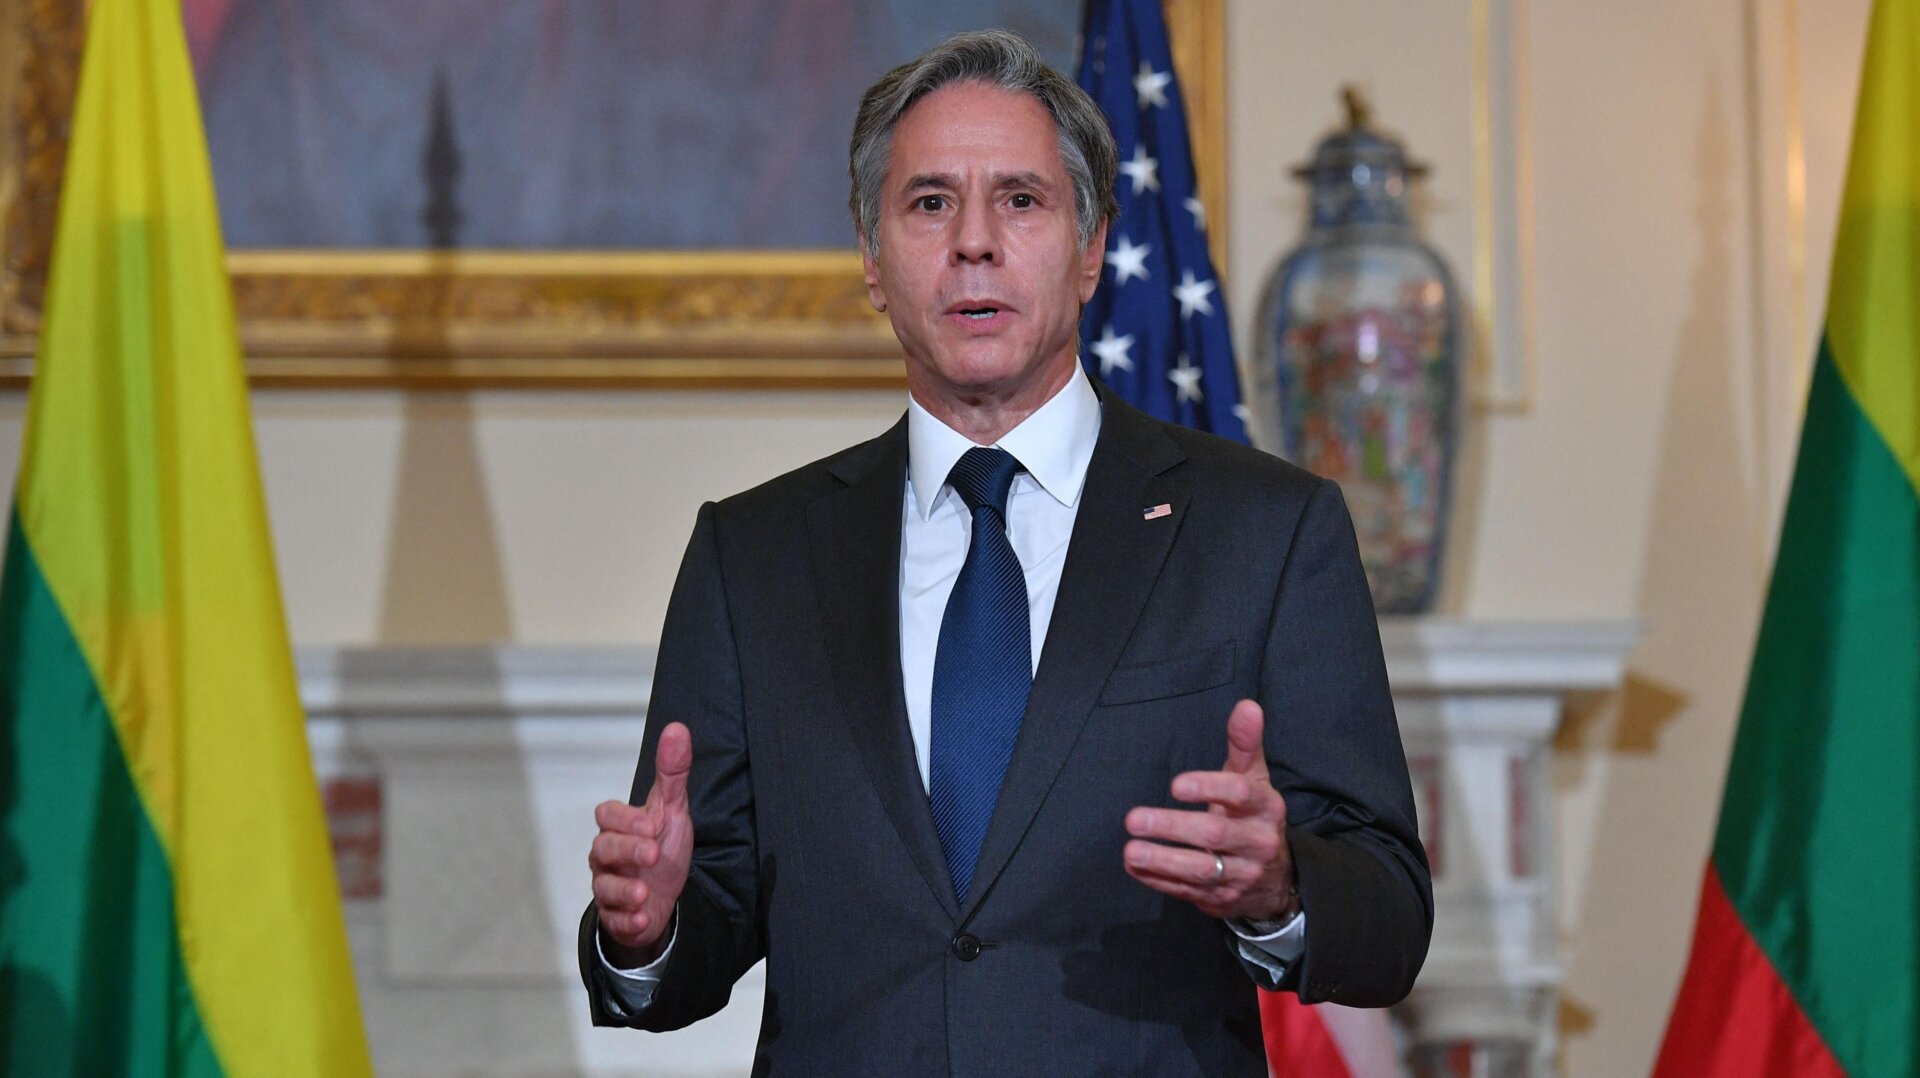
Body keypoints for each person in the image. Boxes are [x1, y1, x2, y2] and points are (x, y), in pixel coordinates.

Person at [579, 30, 1430, 1075]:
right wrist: (647, 925)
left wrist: (1282, 887)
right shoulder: (751, 556)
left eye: (1020, 200)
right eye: (929, 202)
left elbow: (1390, 916)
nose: (973, 241)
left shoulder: (1265, 529)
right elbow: (695, 923)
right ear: (870, 253)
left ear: (1090, 248)